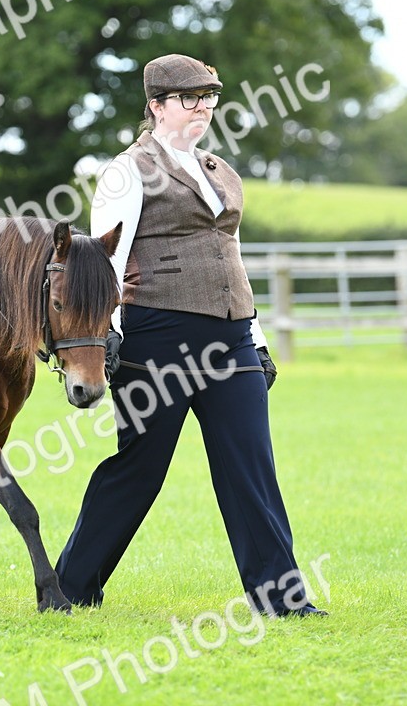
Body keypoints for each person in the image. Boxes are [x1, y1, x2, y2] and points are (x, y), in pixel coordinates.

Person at [54, 53, 326, 617]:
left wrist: (257, 336)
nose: (202, 107)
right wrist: (109, 333)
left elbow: (232, 258)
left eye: (209, 98)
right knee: (140, 470)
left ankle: (281, 599)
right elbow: (107, 258)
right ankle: (70, 588)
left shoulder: (219, 169)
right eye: (189, 98)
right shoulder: (127, 170)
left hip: (232, 337)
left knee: (251, 467)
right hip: (158, 335)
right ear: (156, 105)